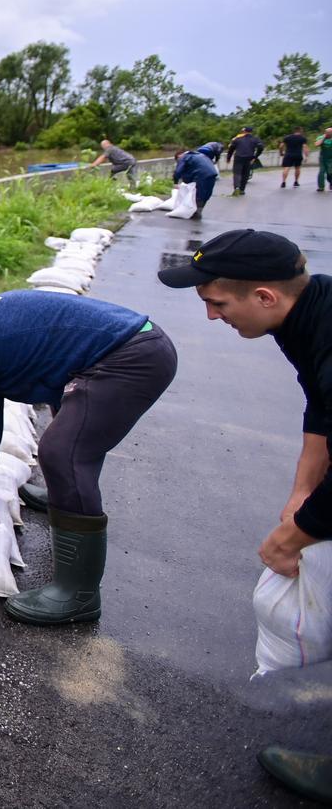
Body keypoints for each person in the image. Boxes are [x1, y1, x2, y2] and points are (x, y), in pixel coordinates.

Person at [157, 229, 332, 803]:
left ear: (263, 296)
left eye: (216, 303)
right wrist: (303, 490)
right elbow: (321, 405)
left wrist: (293, 535)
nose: (210, 317)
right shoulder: (304, 317)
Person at [0, 291, 178, 625]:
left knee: (63, 454)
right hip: (135, 342)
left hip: (130, 357)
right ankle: (61, 496)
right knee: (71, 427)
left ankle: (78, 595)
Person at [173, 146, 219, 219]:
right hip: (212, 174)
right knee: (206, 193)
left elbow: (178, 171)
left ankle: (196, 213)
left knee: (198, 193)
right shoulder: (199, 155)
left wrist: (175, 182)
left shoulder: (184, 157)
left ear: (179, 156)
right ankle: (198, 210)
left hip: (201, 175)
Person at [225, 126, 266, 196]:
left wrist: (228, 158)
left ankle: (237, 187)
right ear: (251, 132)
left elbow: (231, 148)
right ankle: (242, 190)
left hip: (238, 157)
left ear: (244, 131)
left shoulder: (237, 139)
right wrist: (255, 156)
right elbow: (261, 147)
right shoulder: (255, 139)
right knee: (245, 174)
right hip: (249, 158)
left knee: (237, 173)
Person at [316, 127, 332, 193]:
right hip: (323, 157)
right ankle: (321, 187)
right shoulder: (321, 137)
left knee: (330, 172)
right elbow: (317, 144)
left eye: (329, 133)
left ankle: (331, 183)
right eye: (327, 132)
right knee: (321, 172)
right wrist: (324, 138)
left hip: (331, 158)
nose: (328, 134)